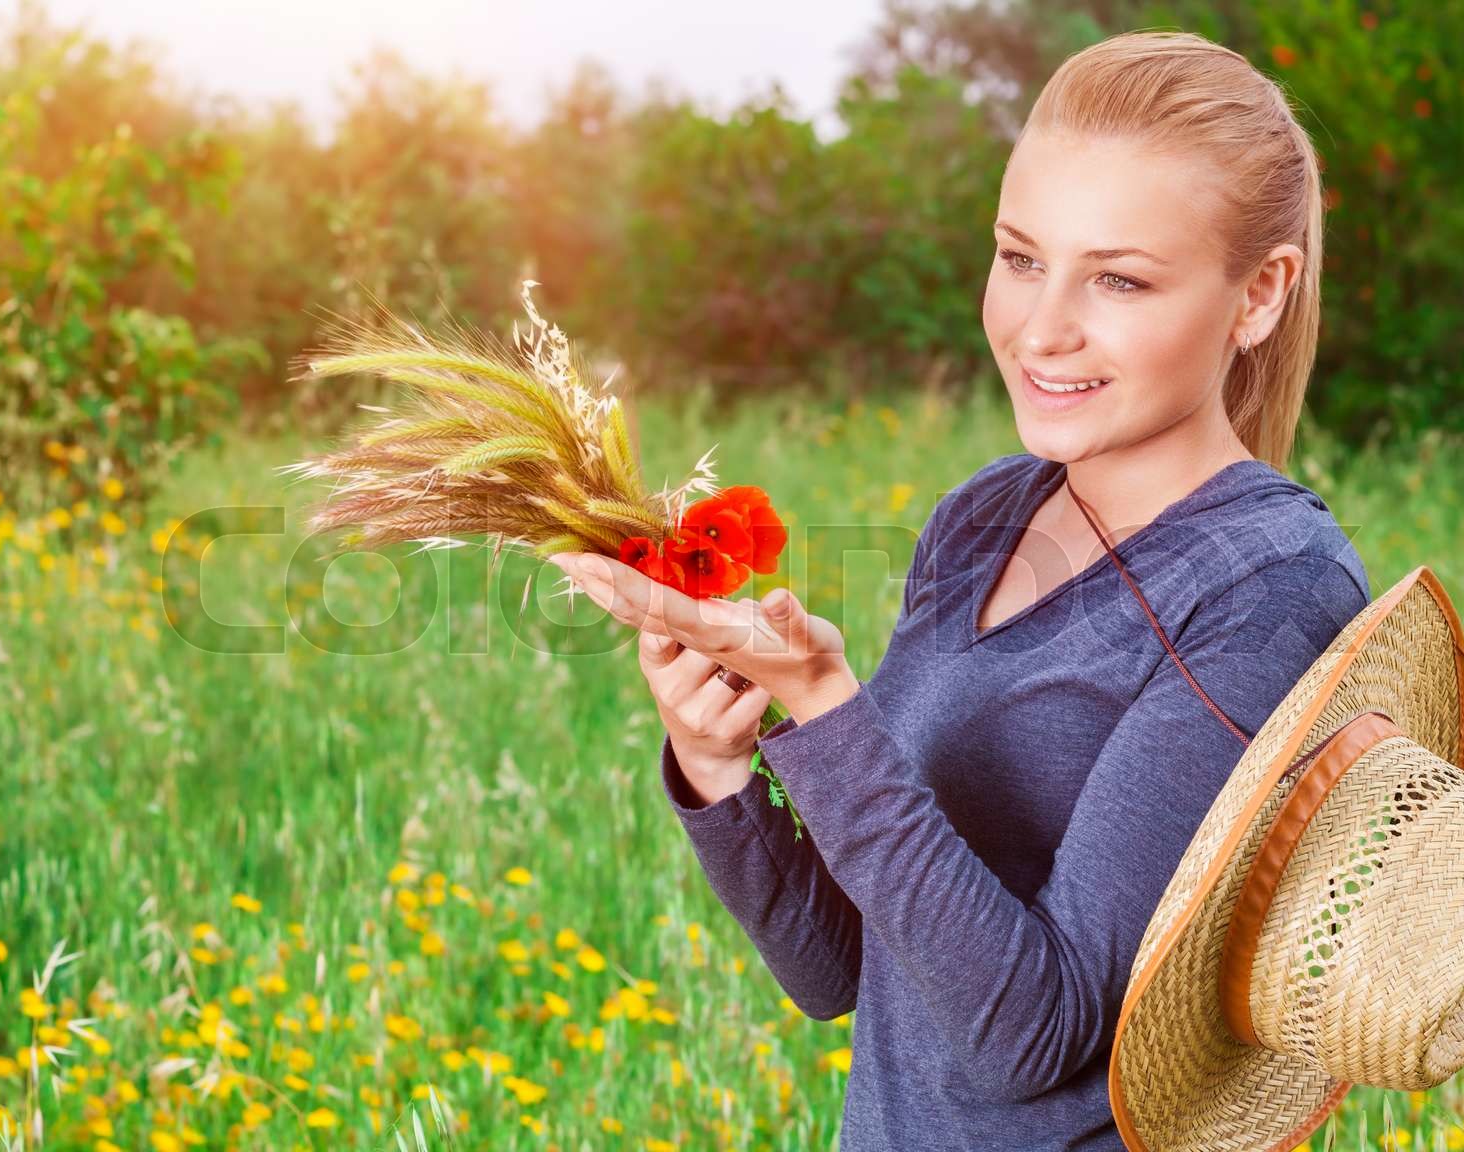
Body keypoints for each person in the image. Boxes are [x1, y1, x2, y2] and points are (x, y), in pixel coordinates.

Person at [550, 28, 1370, 1152]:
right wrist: (720, 763)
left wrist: (828, 705)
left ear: (1259, 295)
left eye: (1118, 278)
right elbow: (843, 963)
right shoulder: (986, 518)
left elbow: (1031, 1036)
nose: (1041, 328)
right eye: (1021, 257)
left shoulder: (1264, 589)